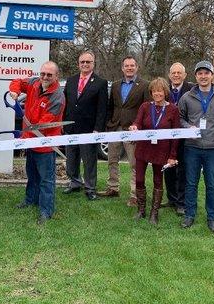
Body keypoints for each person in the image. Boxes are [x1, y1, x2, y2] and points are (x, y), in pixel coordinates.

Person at [9, 61, 65, 225]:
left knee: (46, 180)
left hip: (45, 145)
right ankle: (30, 200)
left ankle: (46, 211)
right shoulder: (34, 82)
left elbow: (44, 125)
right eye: (43, 73)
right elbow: (18, 81)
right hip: (30, 142)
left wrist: (26, 135)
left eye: (49, 75)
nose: (45, 77)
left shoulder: (58, 98)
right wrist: (14, 91)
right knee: (32, 175)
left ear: (56, 76)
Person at [179, 60, 214, 232]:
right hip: (192, 147)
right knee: (191, 183)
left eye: (206, 73)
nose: (203, 76)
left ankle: (212, 218)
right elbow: (180, 119)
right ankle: (189, 215)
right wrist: (188, 127)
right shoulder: (187, 97)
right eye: (200, 73)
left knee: (212, 184)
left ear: (212, 75)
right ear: (196, 76)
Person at [99, 56, 149, 206]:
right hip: (115, 127)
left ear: (137, 67)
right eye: (126, 66)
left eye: (132, 65)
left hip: (132, 129)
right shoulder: (115, 85)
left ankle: (135, 194)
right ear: (122, 68)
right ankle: (113, 187)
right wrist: (109, 124)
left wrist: (139, 127)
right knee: (112, 159)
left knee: (134, 163)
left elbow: (146, 108)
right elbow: (111, 106)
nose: (129, 68)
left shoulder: (144, 85)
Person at [129, 78, 180, 224]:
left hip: (161, 150)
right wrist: (134, 126)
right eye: (154, 90)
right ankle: (141, 210)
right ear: (151, 92)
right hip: (143, 148)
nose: (157, 93)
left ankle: (154, 213)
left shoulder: (173, 109)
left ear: (165, 92)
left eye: (160, 90)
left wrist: (172, 155)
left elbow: (176, 135)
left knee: (158, 180)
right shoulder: (145, 106)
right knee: (139, 179)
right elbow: (138, 122)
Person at [62, 51, 108, 200]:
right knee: (71, 159)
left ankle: (90, 188)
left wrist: (98, 129)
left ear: (93, 64)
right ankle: (75, 182)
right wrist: (63, 123)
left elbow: (102, 109)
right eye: (82, 62)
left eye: (88, 62)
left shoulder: (100, 82)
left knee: (89, 161)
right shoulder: (71, 80)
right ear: (78, 63)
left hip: (89, 129)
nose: (85, 64)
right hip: (70, 128)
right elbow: (66, 103)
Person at [162, 62, 194, 215]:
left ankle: (181, 202)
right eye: (173, 73)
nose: (176, 75)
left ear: (184, 75)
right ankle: (171, 199)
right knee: (168, 169)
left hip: (184, 138)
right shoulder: (164, 89)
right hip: (166, 138)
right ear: (169, 75)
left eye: (179, 73)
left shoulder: (192, 90)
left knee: (182, 171)